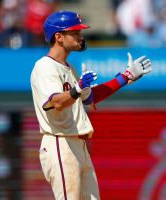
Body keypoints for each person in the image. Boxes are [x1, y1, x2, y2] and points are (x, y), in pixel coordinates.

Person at [30, 11, 152, 200]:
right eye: (75, 32)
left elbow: (90, 97)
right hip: (60, 142)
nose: (80, 36)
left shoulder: (69, 68)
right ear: (59, 37)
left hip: (78, 144)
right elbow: (55, 102)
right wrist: (77, 89)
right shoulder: (44, 66)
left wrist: (125, 77)